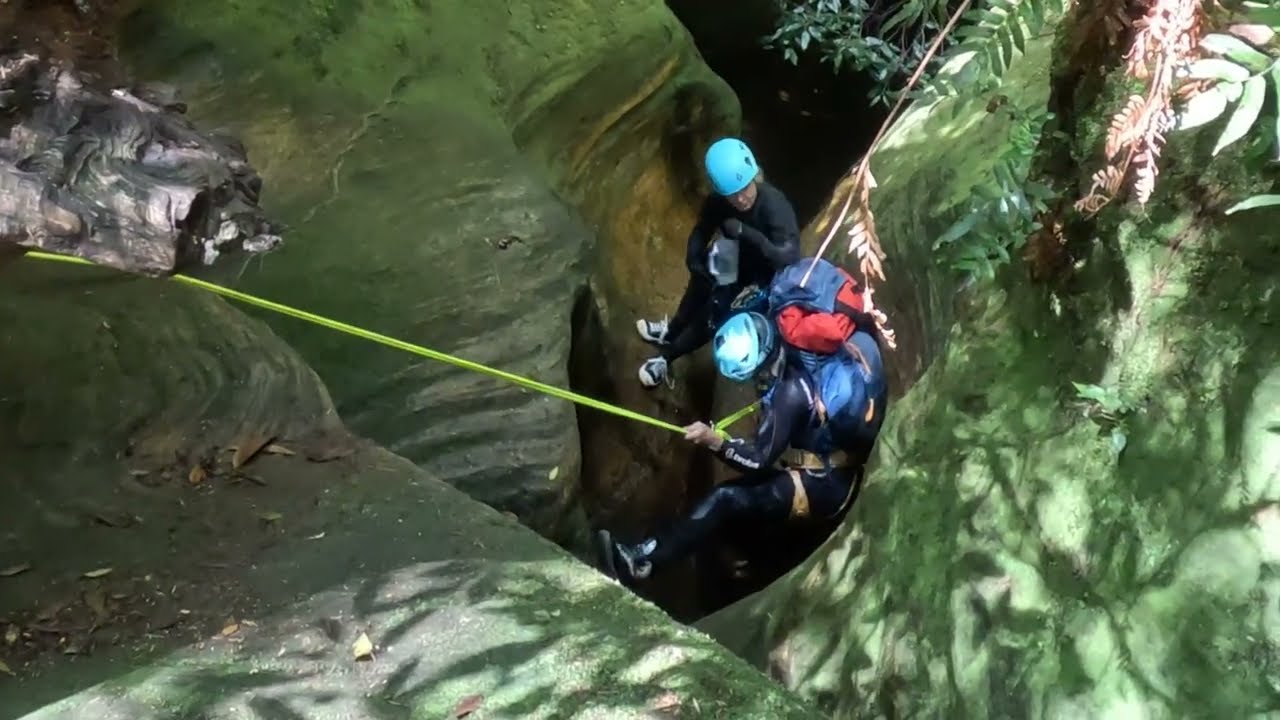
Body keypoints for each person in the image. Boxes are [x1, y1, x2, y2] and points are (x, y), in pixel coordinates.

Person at [598, 307, 888, 584]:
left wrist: (716, 443)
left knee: (724, 498)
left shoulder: (789, 395)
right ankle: (744, 561)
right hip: (832, 464)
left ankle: (641, 564)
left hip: (822, 484)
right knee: (750, 507)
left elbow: (758, 459)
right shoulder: (794, 339)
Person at [635, 137, 801, 388]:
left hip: (763, 272)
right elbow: (702, 229)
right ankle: (672, 330)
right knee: (701, 283)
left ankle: (667, 357)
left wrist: (747, 233)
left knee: (718, 313)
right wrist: (693, 256)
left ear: (753, 176)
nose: (742, 199)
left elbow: (787, 257)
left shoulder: (774, 206)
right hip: (733, 254)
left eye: (745, 188)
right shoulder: (719, 201)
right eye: (733, 194)